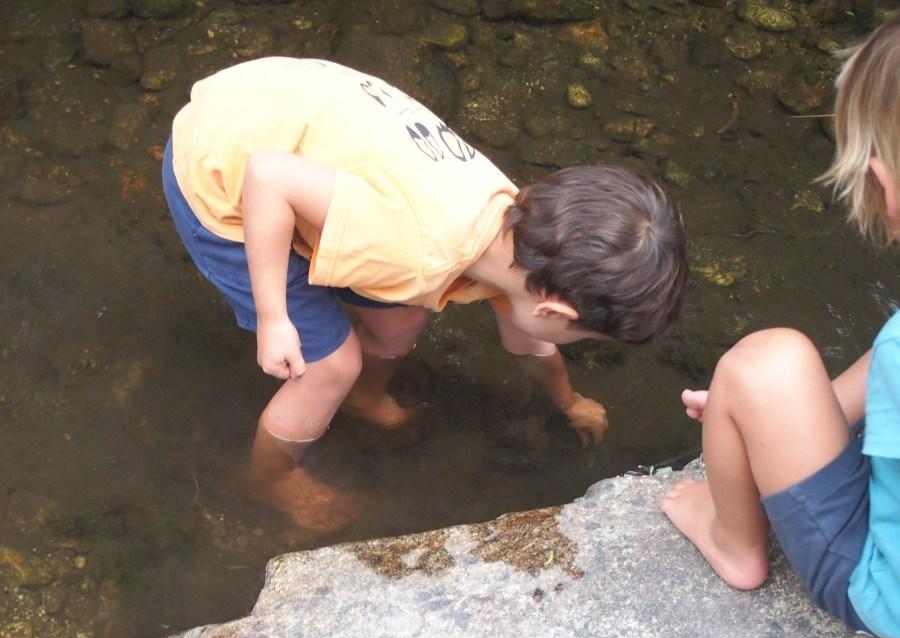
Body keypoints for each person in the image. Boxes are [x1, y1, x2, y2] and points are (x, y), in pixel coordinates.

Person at [162, 57, 688, 532]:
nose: (570, 341)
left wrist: (568, 402)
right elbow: (266, 176)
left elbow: (530, 343)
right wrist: (275, 316)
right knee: (330, 366)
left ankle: (364, 400)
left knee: (402, 320)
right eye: (583, 335)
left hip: (281, 105)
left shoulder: (520, 233)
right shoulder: (414, 243)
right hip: (221, 176)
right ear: (553, 309)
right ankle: (270, 478)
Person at [661, 13, 900, 638]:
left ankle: (730, 538)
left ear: (883, 183)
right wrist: (784, 421)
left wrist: (753, 404)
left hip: (884, 589)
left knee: (761, 363)